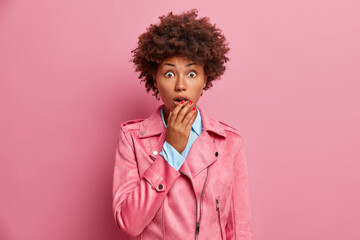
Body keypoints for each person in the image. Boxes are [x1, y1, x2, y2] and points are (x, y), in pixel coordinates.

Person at [112, 9, 253, 240]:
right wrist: (171, 152)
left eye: (191, 74)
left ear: (205, 78)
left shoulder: (230, 141)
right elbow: (128, 223)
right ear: (154, 78)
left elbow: (239, 229)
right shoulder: (132, 138)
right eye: (169, 74)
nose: (180, 85)